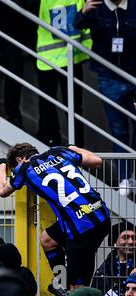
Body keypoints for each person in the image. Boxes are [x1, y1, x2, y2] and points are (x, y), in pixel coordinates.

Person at [0, 143, 110, 294]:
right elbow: (97, 161)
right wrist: (74, 148)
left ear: (20, 159)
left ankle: (68, 286)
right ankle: (62, 281)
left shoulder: (24, 168)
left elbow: (3, 190)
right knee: (47, 240)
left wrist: (1, 166)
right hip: (101, 215)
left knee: (77, 290)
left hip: (81, 228)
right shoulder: (58, 152)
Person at [74, 0, 136, 196]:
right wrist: (83, 12)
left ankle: (133, 175)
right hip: (108, 76)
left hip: (134, 75)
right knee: (118, 130)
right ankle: (125, 178)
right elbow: (74, 26)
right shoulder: (96, 7)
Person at [35, 0, 90, 147]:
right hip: (58, 59)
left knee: (63, 105)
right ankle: (72, 145)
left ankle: (61, 143)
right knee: (62, 105)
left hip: (56, 59)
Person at [92, 220, 135, 296]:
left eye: (134, 238)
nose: (131, 241)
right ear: (114, 242)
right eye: (125, 237)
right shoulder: (103, 270)